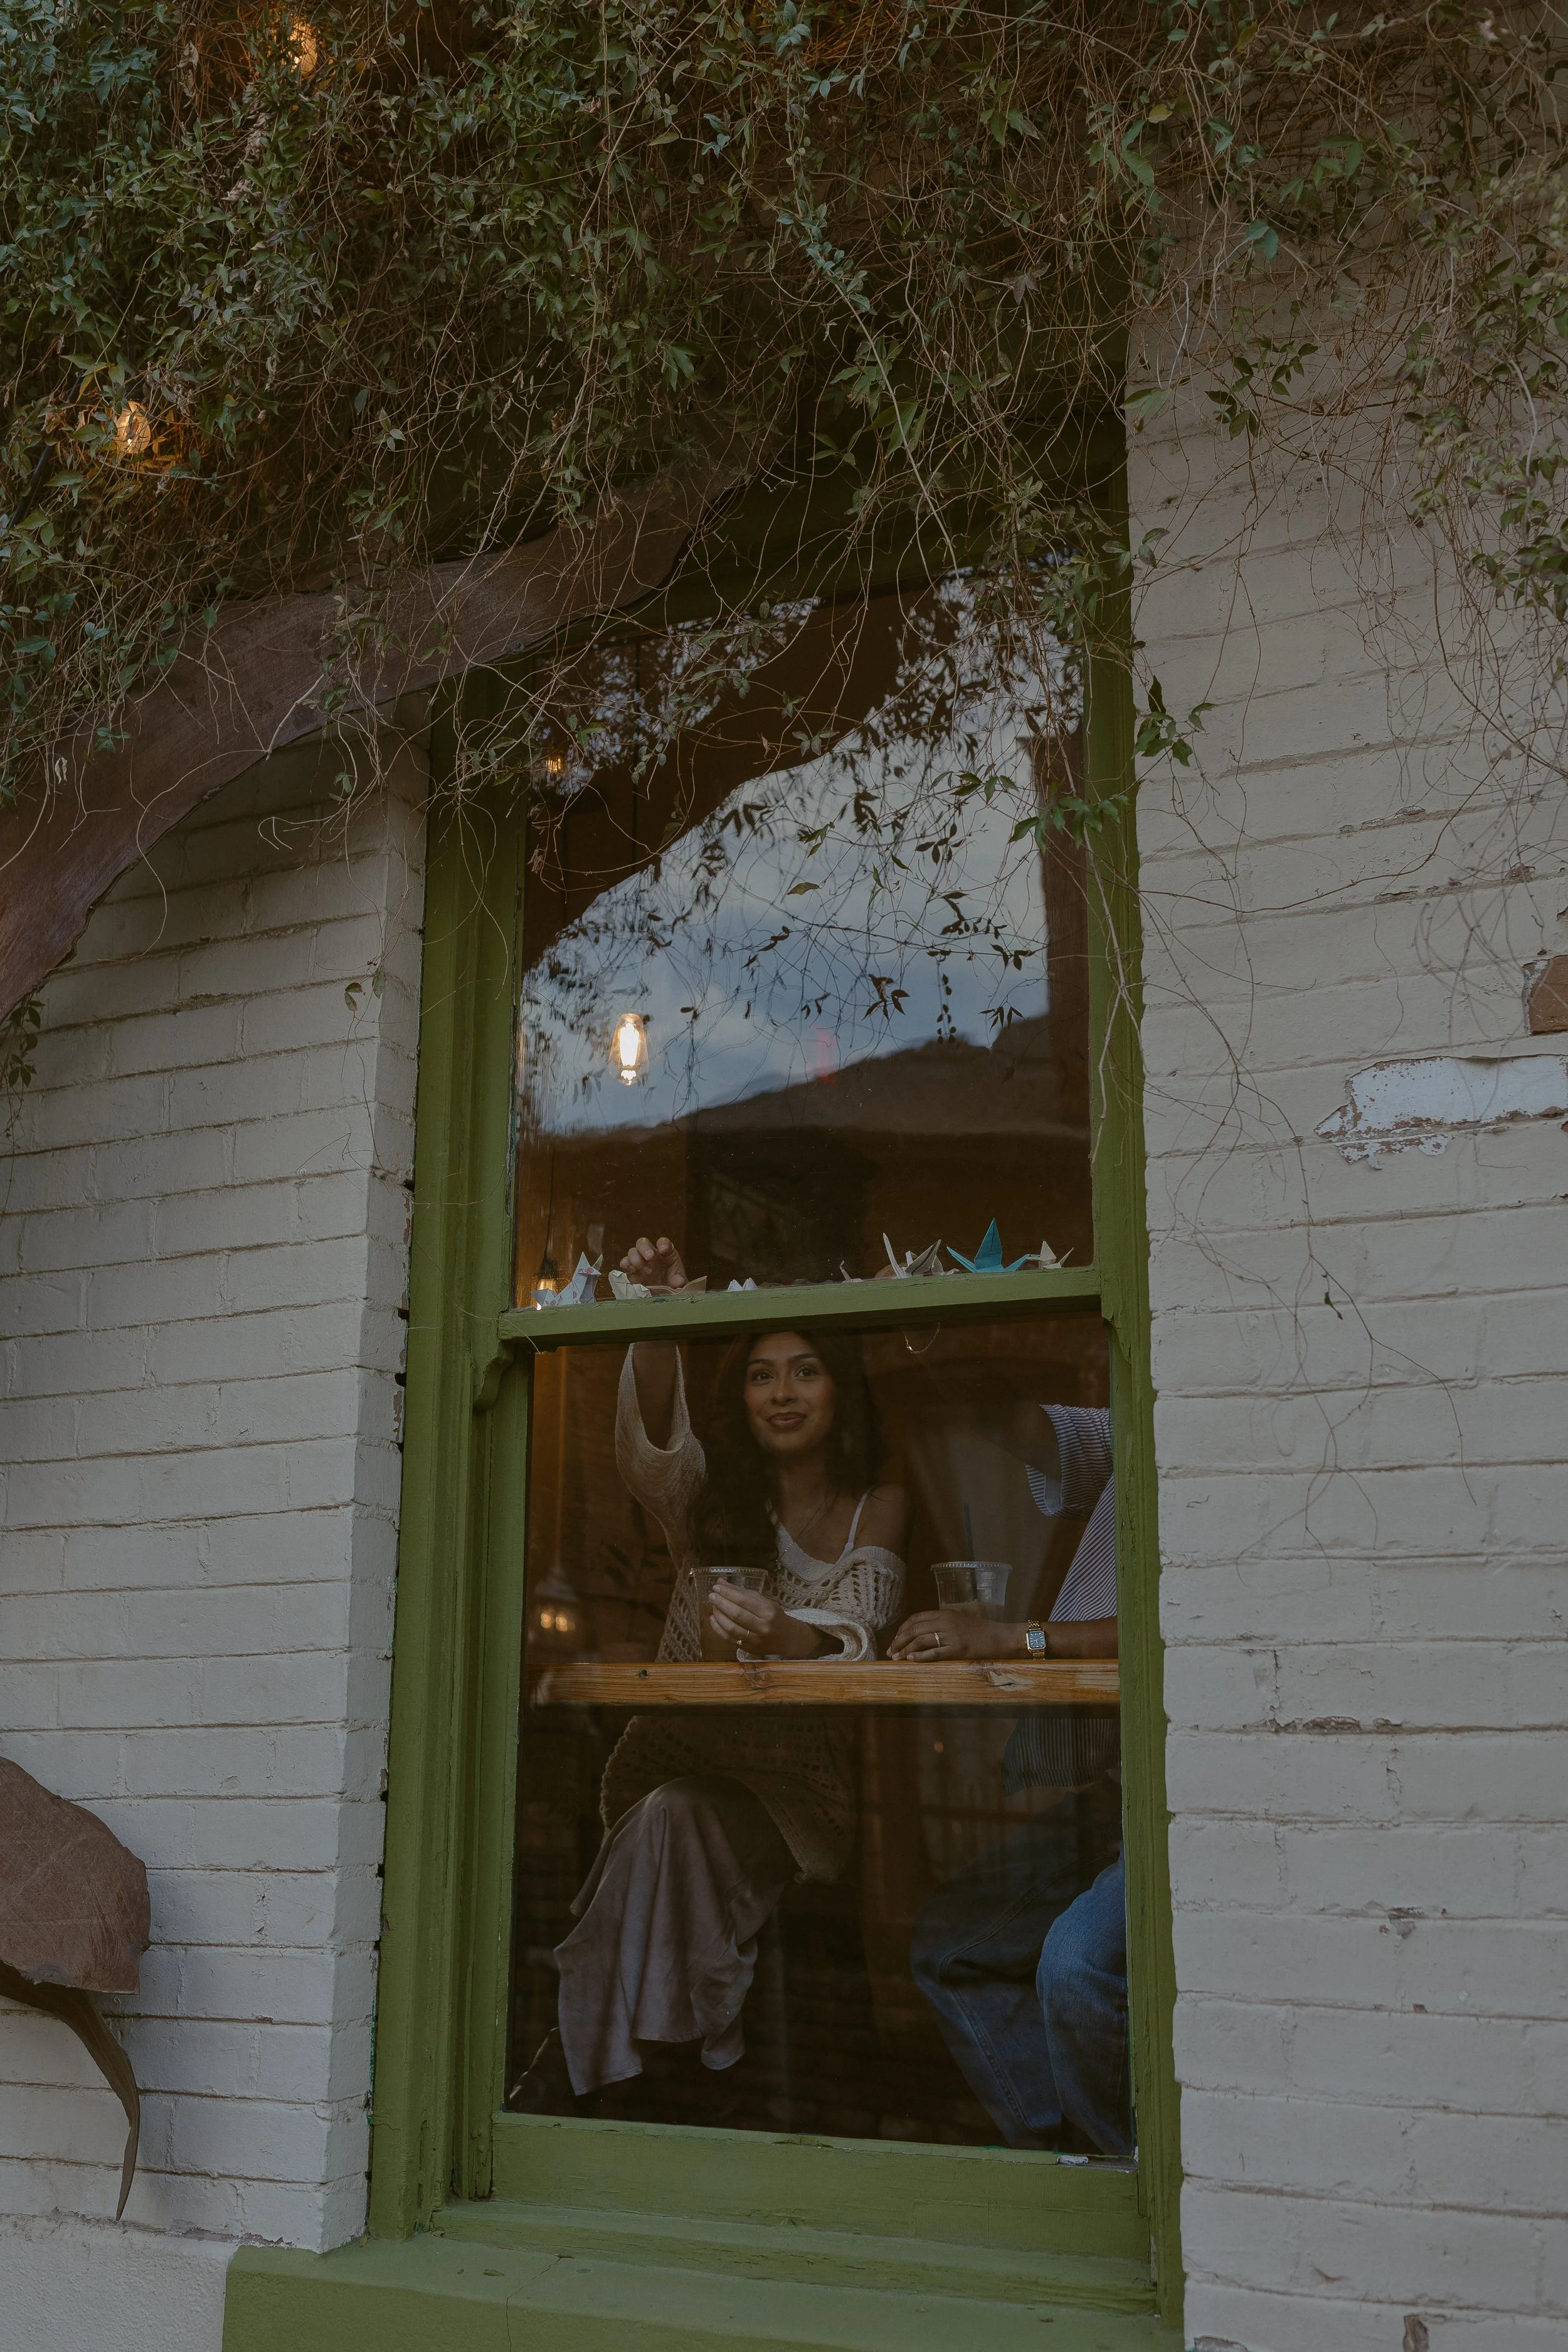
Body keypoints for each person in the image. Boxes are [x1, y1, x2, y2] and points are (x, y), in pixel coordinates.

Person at [513, 1232, 908, 2115]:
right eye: (762, 1374)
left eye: (805, 1371)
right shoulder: (710, 1492)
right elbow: (650, 1452)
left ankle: (598, 2058)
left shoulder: (877, 1499)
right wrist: (656, 1320)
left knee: (668, 1822)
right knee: (669, 1810)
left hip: (799, 1795)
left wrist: (787, 1636)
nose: (782, 1393)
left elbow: (867, 1623)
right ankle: (655, 2055)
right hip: (676, 1757)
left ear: (839, 1388)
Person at [889, 1393, 1131, 2155]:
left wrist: (1008, 1636)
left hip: (1176, 1799)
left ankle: (1128, 2173)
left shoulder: (1216, 1428)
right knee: (949, 1945)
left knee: (1074, 1969)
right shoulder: (1139, 1418)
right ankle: (1066, 2152)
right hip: (1109, 1791)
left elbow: (1174, 1617)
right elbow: (1019, 1424)